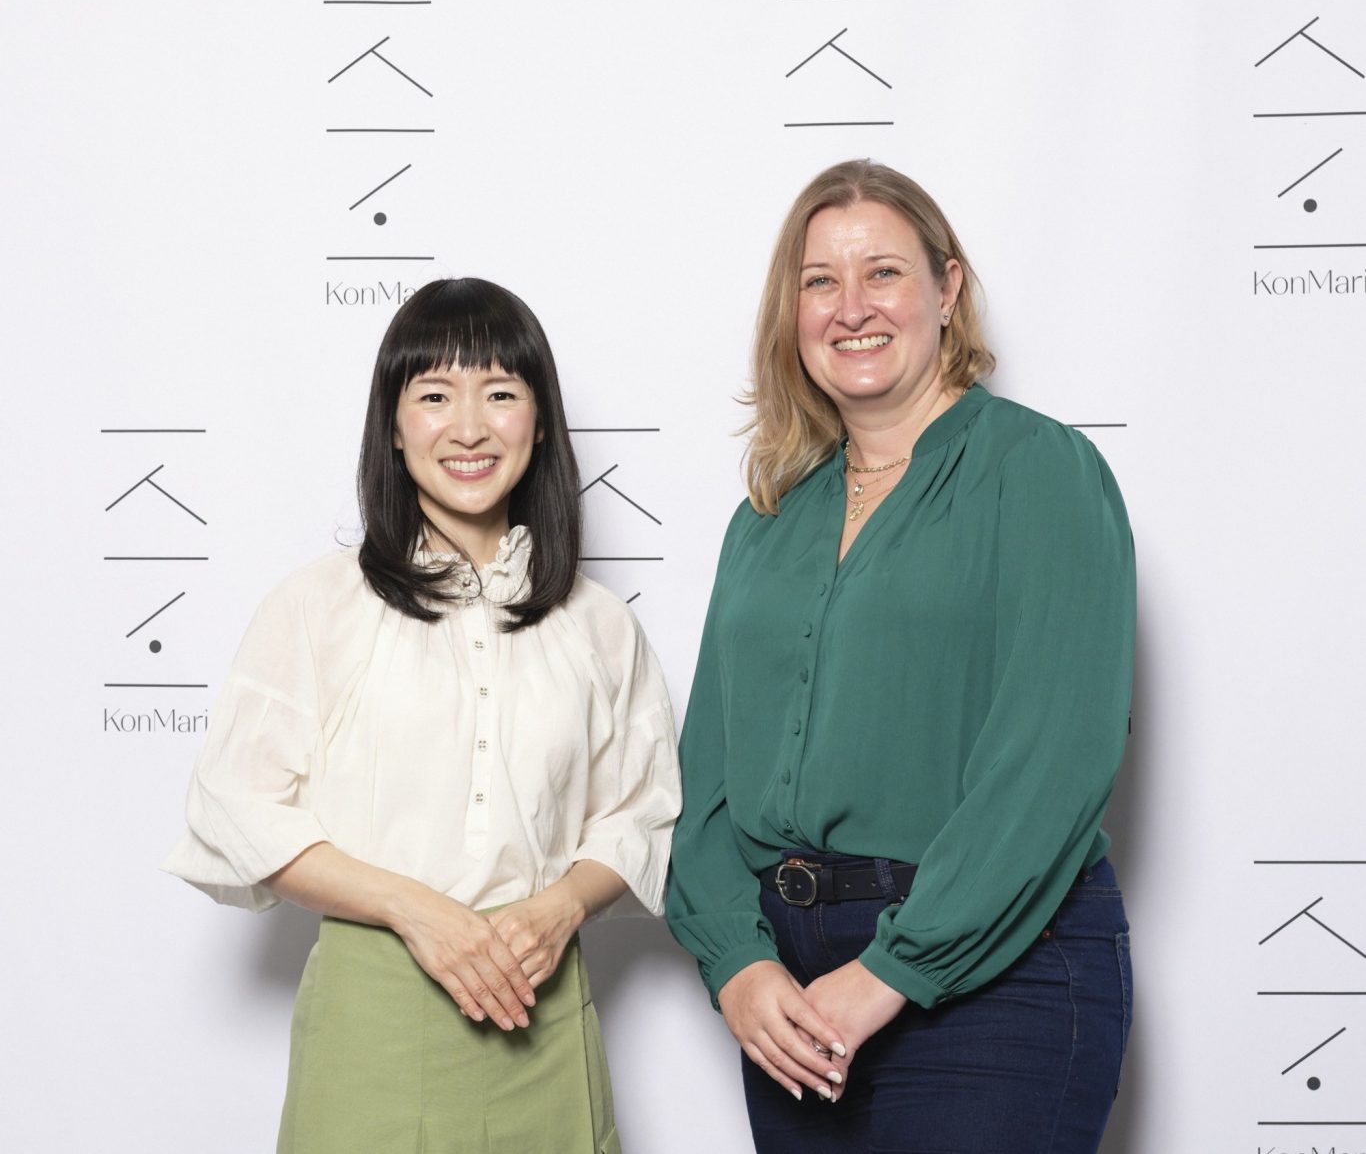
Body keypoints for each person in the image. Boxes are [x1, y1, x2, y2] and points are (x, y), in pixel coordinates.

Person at [666, 160, 1135, 1153]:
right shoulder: (766, 518)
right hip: (789, 993)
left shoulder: (1039, 471)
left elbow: (1052, 761)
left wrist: (894, 969)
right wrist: (735, 961)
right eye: (819, 281)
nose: (851, 307)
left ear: (947, 288)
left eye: (882, 272)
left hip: (997, 976)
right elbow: (706, 781)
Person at [164, 277, 680, 1154]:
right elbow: (234, 807)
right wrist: (415, 909)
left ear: (541, 423)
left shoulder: (599, 625)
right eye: (435, 395)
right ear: (394, 427)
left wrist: (559, 907)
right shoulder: (316, 606)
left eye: (500, 394)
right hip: (374, 1016)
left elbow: (643, 812)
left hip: (544, 1010)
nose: (469, 427)